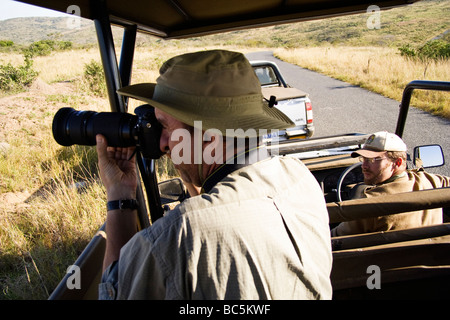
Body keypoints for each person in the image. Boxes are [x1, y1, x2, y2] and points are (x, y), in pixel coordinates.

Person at [96, 50, 333, 299]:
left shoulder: (180, 234)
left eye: (165, 126)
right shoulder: (299, 176)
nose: (163, 143)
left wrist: (119, 194)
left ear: (209, 137)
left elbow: (114, 291)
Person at [331, 131, 450, 237]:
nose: (364, 166)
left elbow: (335, 238)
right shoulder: (431, 180)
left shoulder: (370, 203)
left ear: (397, 162)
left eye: (372, 160)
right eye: (363, 159)